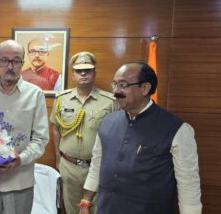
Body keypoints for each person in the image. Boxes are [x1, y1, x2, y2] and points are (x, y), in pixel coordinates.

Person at [80, 61, 202, 214]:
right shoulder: (108, 121)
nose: (115, 91)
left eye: (123, 85)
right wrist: (86, 200)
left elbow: (189, 185)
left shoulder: (177, 129)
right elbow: (97, 163)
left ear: (145, 88)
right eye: (114, 85)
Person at [0, 39, 49, 214]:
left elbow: (41, 139)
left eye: (16, 60)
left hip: (20, 181)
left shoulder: (35, 94)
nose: (10, 65)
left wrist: (20, 159)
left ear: (22, 63)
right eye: (4, 60)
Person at [50, 51, 118, 214]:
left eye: (87, 70)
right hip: (69, 165)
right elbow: (56, 130)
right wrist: (58, 160)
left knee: (97, 209)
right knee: (72, 208)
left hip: (97, 166)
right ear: (72, 75)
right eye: (78, 70)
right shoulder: (62, 99)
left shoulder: (109, 102)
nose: (83, 73)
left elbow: (118, 134)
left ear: (94, 73)